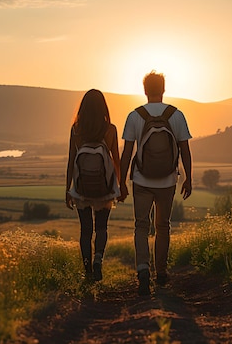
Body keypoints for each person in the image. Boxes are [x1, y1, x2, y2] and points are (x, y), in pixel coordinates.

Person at [119, 71, 192, 296]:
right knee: (163, 226)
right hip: (168, 180)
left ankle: (143, 270)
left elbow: (127, 152)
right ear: (163, 89)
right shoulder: (176, 115)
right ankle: (161, 272)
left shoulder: (134, 116)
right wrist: (188, 177)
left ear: (144, 90)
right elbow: (185, 150)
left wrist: (121, 182)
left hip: (142, 179)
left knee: (141, 226)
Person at [66, 89, 126, 281]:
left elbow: (71, 160)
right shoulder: (110, 129)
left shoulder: (76, 129)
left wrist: (68, 189)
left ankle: (87, 272)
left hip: (81, 188)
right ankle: (98, 260)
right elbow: (116, 160)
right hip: (104, 189)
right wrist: (119, 185)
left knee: (85, 230)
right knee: (101, 228)